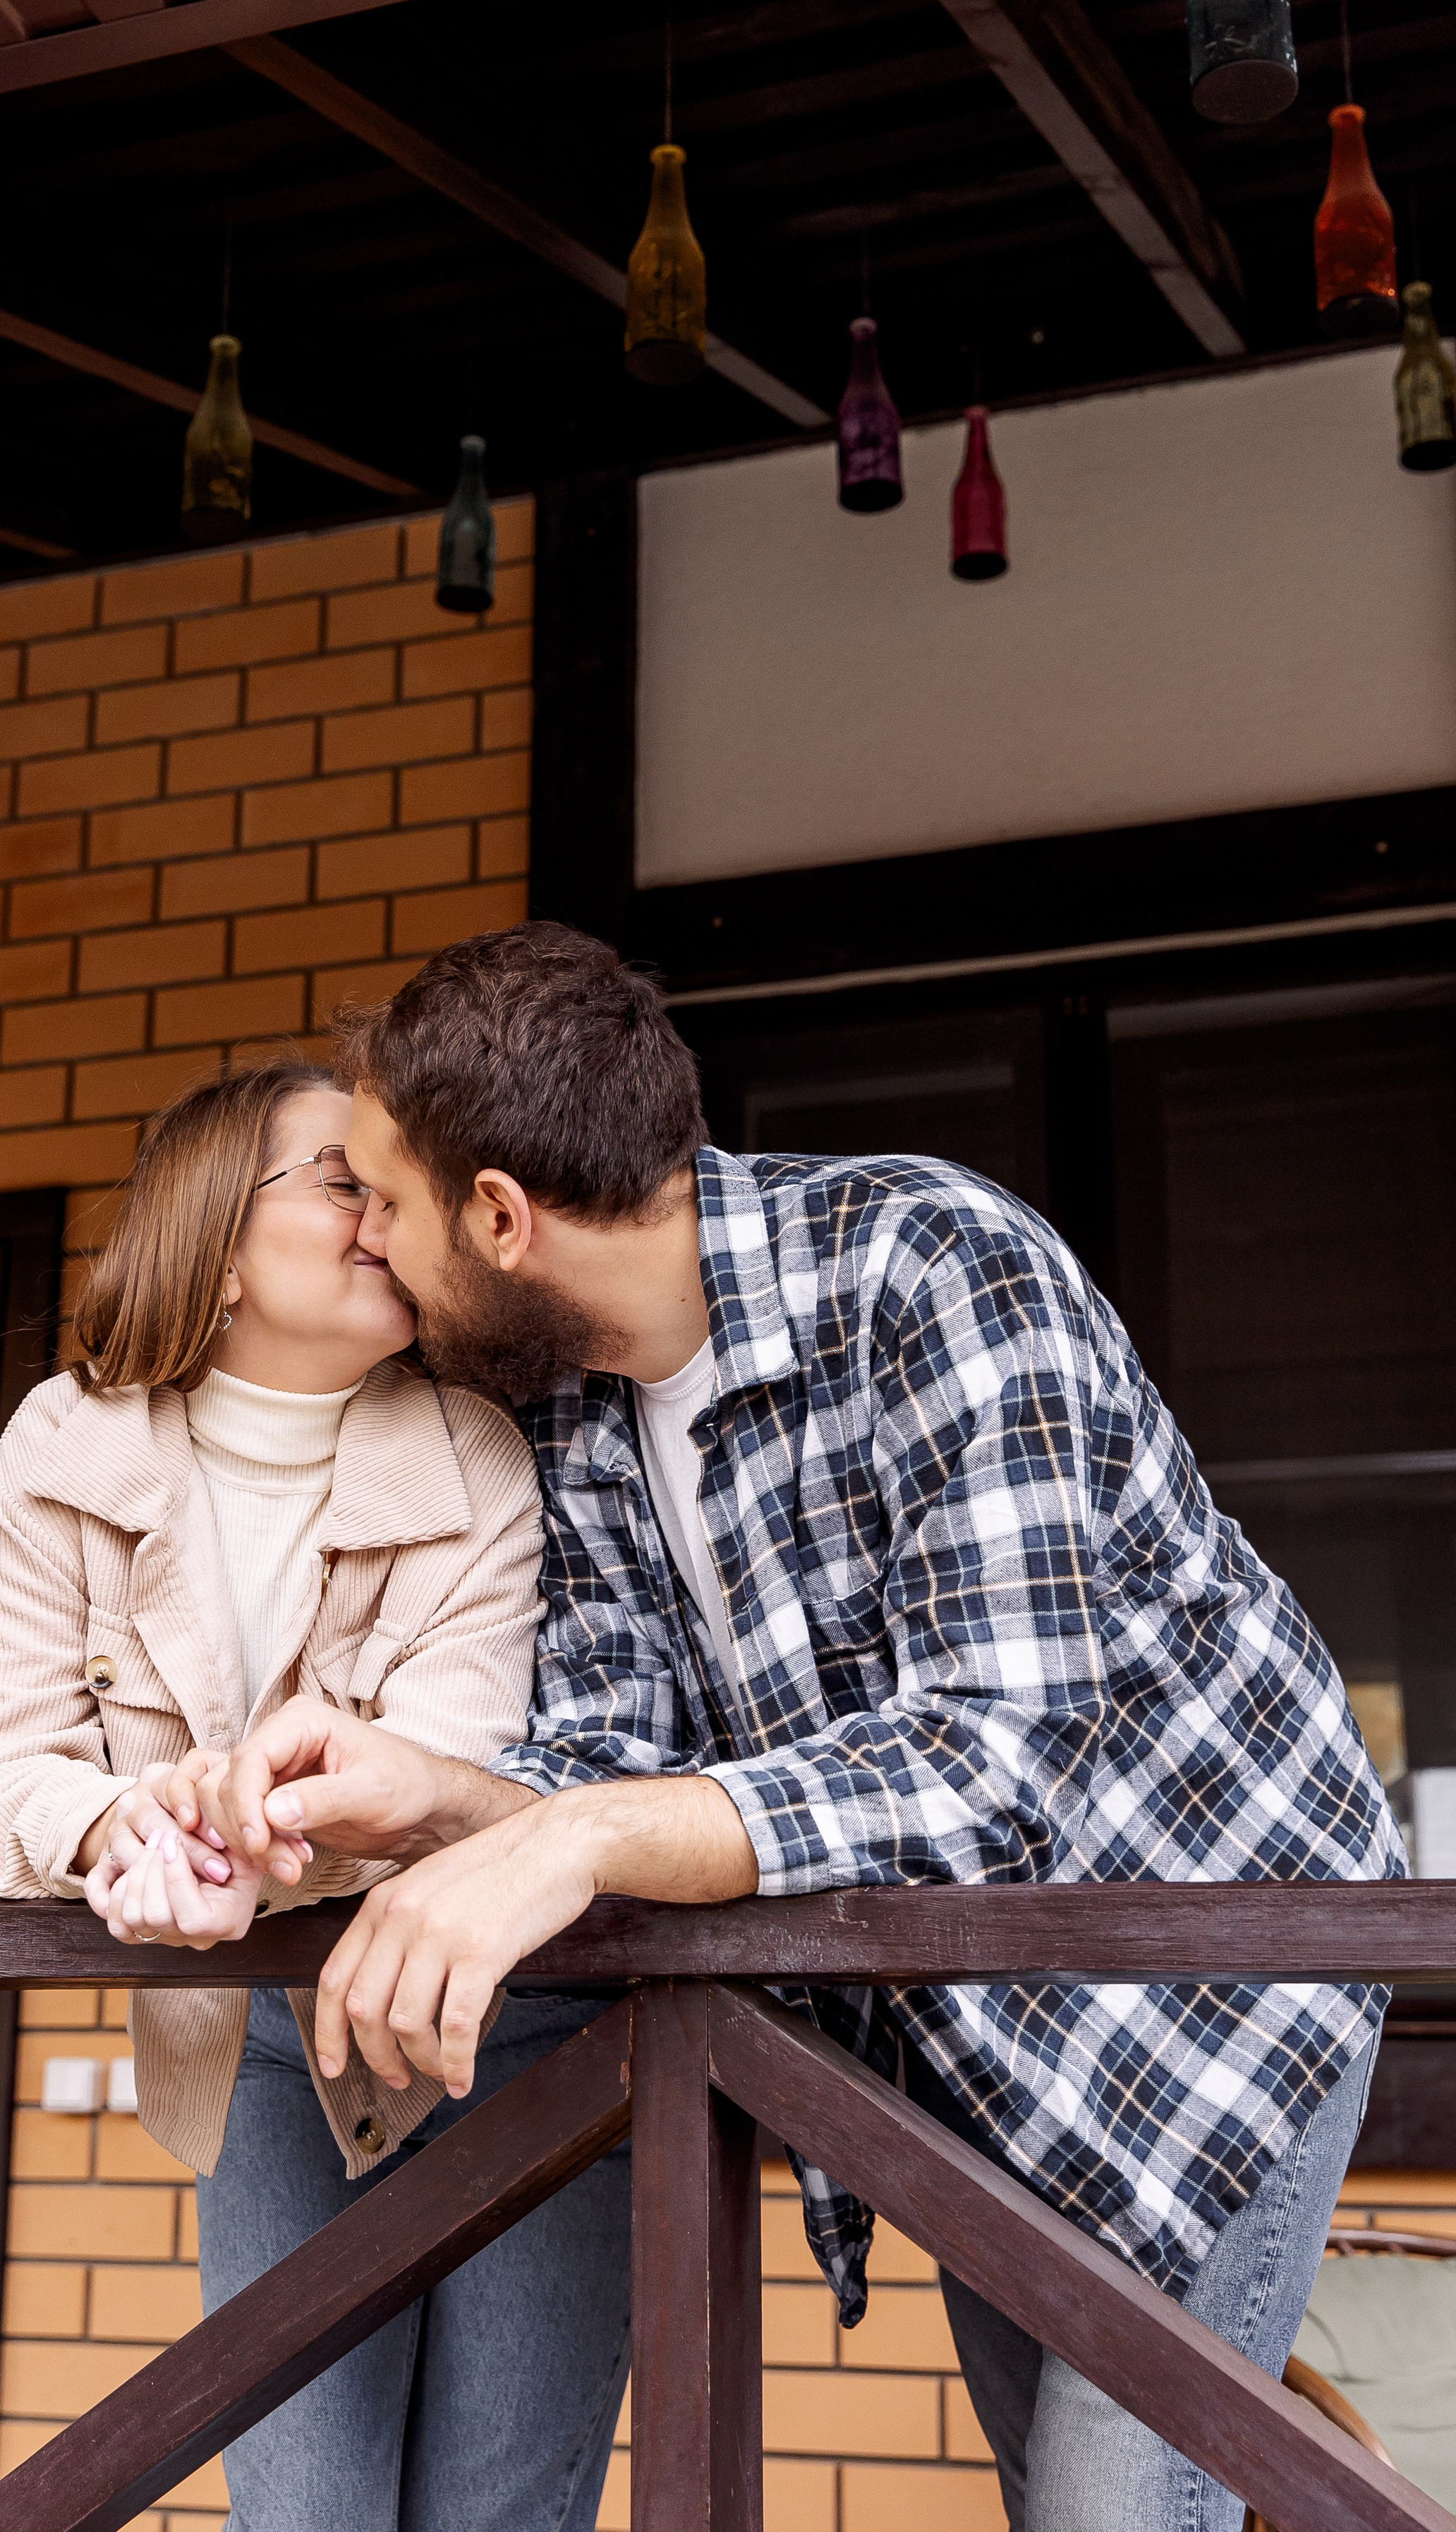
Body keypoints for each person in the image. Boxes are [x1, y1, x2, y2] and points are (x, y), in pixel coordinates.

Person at [174, 922, 1404, 2532]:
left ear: (497, 1216)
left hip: (1199, 1996)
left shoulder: (933, 1266)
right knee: (1067, 2507)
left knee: (1118, 2513)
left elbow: (987, 1756)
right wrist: (430, 1796)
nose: (375, 1249)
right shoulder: (576, 1396)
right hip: (974, 2046)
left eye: (387, 1204)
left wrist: (574, 1835)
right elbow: (607, 1756)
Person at [0, 1057, 630, 2532]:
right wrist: (114, 1826)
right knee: (304, 2516)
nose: (386, 1214)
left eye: (395, 1187)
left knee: (497, 2519)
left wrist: (226, 1831)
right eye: (340, 1181)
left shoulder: (472, 1453)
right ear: (215, 1235)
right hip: (263, 2032)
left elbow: (449, 1770)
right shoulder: (55, 1456)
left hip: (525, 2027)